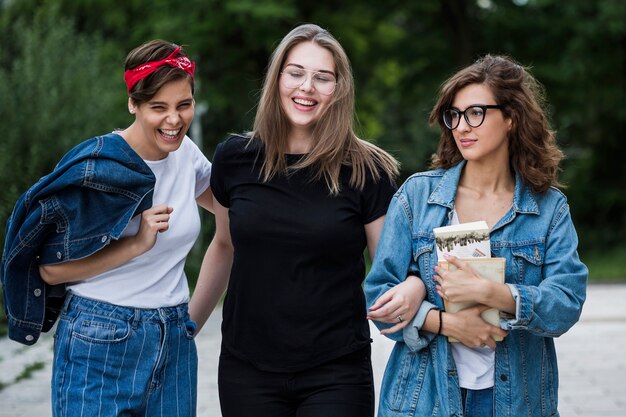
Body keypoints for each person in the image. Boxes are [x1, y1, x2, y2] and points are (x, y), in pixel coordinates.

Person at [188, 23, 414, 417]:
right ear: (277, 79)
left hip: (337, 369)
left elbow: (389, 272)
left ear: (338, 89)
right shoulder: (235, 158)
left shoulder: (367, 170)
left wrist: (415, 289)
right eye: (295, 72)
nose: (306, 87)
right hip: (247, 368)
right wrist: (186, 329)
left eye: (322, 77)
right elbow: (224, 246)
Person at [365, 54, 588, 417]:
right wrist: (445, 321)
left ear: (511, 118)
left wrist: (495, 294)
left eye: (476, 113)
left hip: (516, 403)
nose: (462, 126)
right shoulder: (417, 197)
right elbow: (378, 300)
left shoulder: (547, 208)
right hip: (425, 400)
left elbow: (566, 303)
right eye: (454, 115)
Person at [1, 39, 212, 417]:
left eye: (184, 105)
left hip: (174, 337)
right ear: (133, 103)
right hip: (101, 334)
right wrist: (135, 244)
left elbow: (239, 205)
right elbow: (50, 270)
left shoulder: (187, 154)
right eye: (158, 107)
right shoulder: (100, 167)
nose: (174, 120)